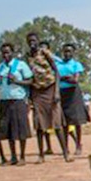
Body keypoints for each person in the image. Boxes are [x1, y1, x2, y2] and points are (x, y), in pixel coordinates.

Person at [26, 32, 71, 163]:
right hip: (37, 91)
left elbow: (56, 71)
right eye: (29, 41)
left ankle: (65, 153)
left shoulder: (44, 52)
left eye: (34, 40)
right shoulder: (27, 56)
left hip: (50, 88)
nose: (32, 43)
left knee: (57, 123)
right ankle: (41, 155)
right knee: (39, 124)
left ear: (38, 40)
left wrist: (56, 91)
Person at [0, 43, 32, 165]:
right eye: (3, 52)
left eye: (8, 52)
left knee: (21, 129)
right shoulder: (0, 66)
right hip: (5, 100)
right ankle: (13, 156)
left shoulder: (20, 65)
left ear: (12, 52)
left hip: (18, 100)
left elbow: (31, 80)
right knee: (9, 130)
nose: (6, 55)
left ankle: (22, 156)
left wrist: (18, 81)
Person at [57, 42, 88, 155]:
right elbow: (56, 78)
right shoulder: (58, 64)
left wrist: (63, 78)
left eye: (69, 51)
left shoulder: (76, 64)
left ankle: (78, 145)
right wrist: (67, 78)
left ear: (73, 53)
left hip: (73, 93)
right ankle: (65, 147)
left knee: (76, 121)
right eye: (65, 51)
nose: (67, 53)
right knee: (64, 122)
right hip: (62, 93)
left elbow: (75, 80)